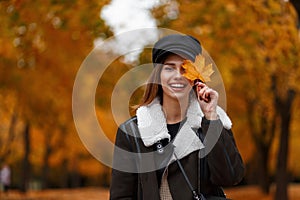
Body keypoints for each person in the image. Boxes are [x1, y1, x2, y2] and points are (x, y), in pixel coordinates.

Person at [109, 34, 245, 200]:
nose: (178, 76)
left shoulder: (212, 121)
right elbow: (121, 196)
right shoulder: (132, 132)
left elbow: (230, 177)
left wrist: (210, 116)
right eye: (169, 68)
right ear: (158, 75)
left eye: (185, 69)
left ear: (196, 77)